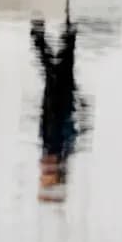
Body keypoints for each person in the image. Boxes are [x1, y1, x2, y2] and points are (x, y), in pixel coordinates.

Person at [30, 18, 85, 203]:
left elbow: (46, 122)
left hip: (54, 98)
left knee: (55, 63)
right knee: (58, 63)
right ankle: (48, 31)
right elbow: (67, 119)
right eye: (47, 171)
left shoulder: (52, 147)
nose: (43, 166)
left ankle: (43, 32)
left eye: (43, 172)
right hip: (60, 97)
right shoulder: (62, 146)